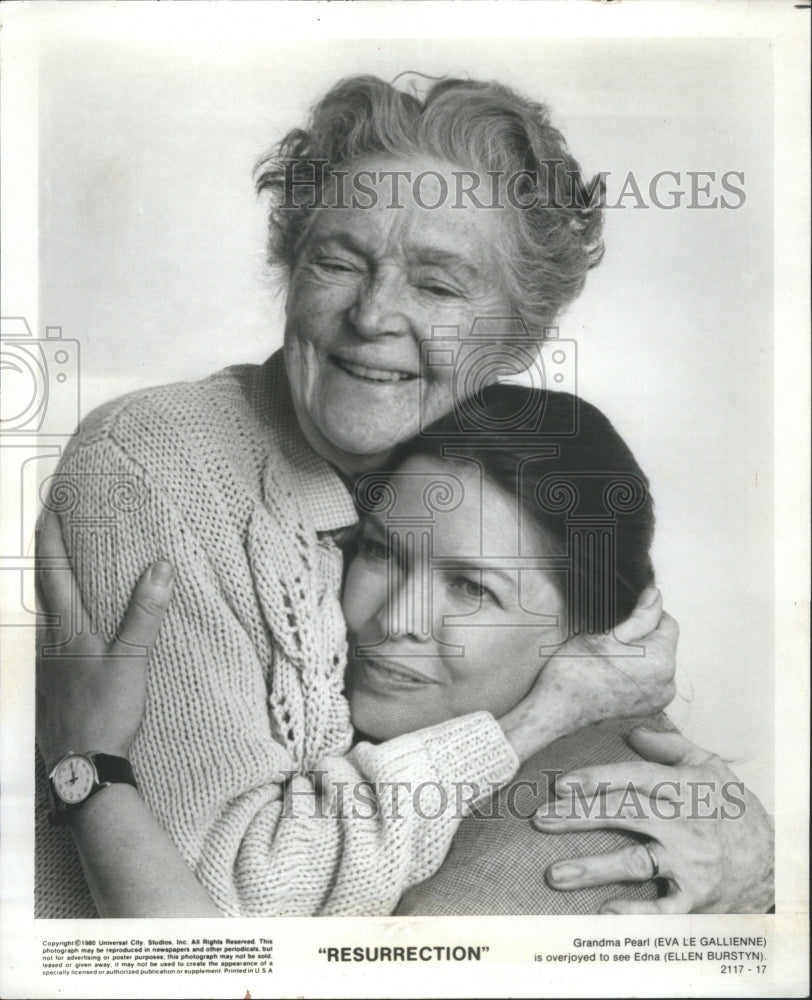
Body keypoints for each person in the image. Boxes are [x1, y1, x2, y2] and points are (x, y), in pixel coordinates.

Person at [34, 74, 771, 917]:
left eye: (438, 285)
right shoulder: (158, 466)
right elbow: (219, 916)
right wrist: (541, 715)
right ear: (289, 266)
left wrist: (756, 855)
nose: (375, 315)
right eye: (339, 261)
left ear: (518, 334)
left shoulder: (459, 468)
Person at [37, 386, 774, 915]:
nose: (396, 620)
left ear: (588, 637)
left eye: (472, 589)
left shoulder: (579, 830)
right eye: (386, 554)